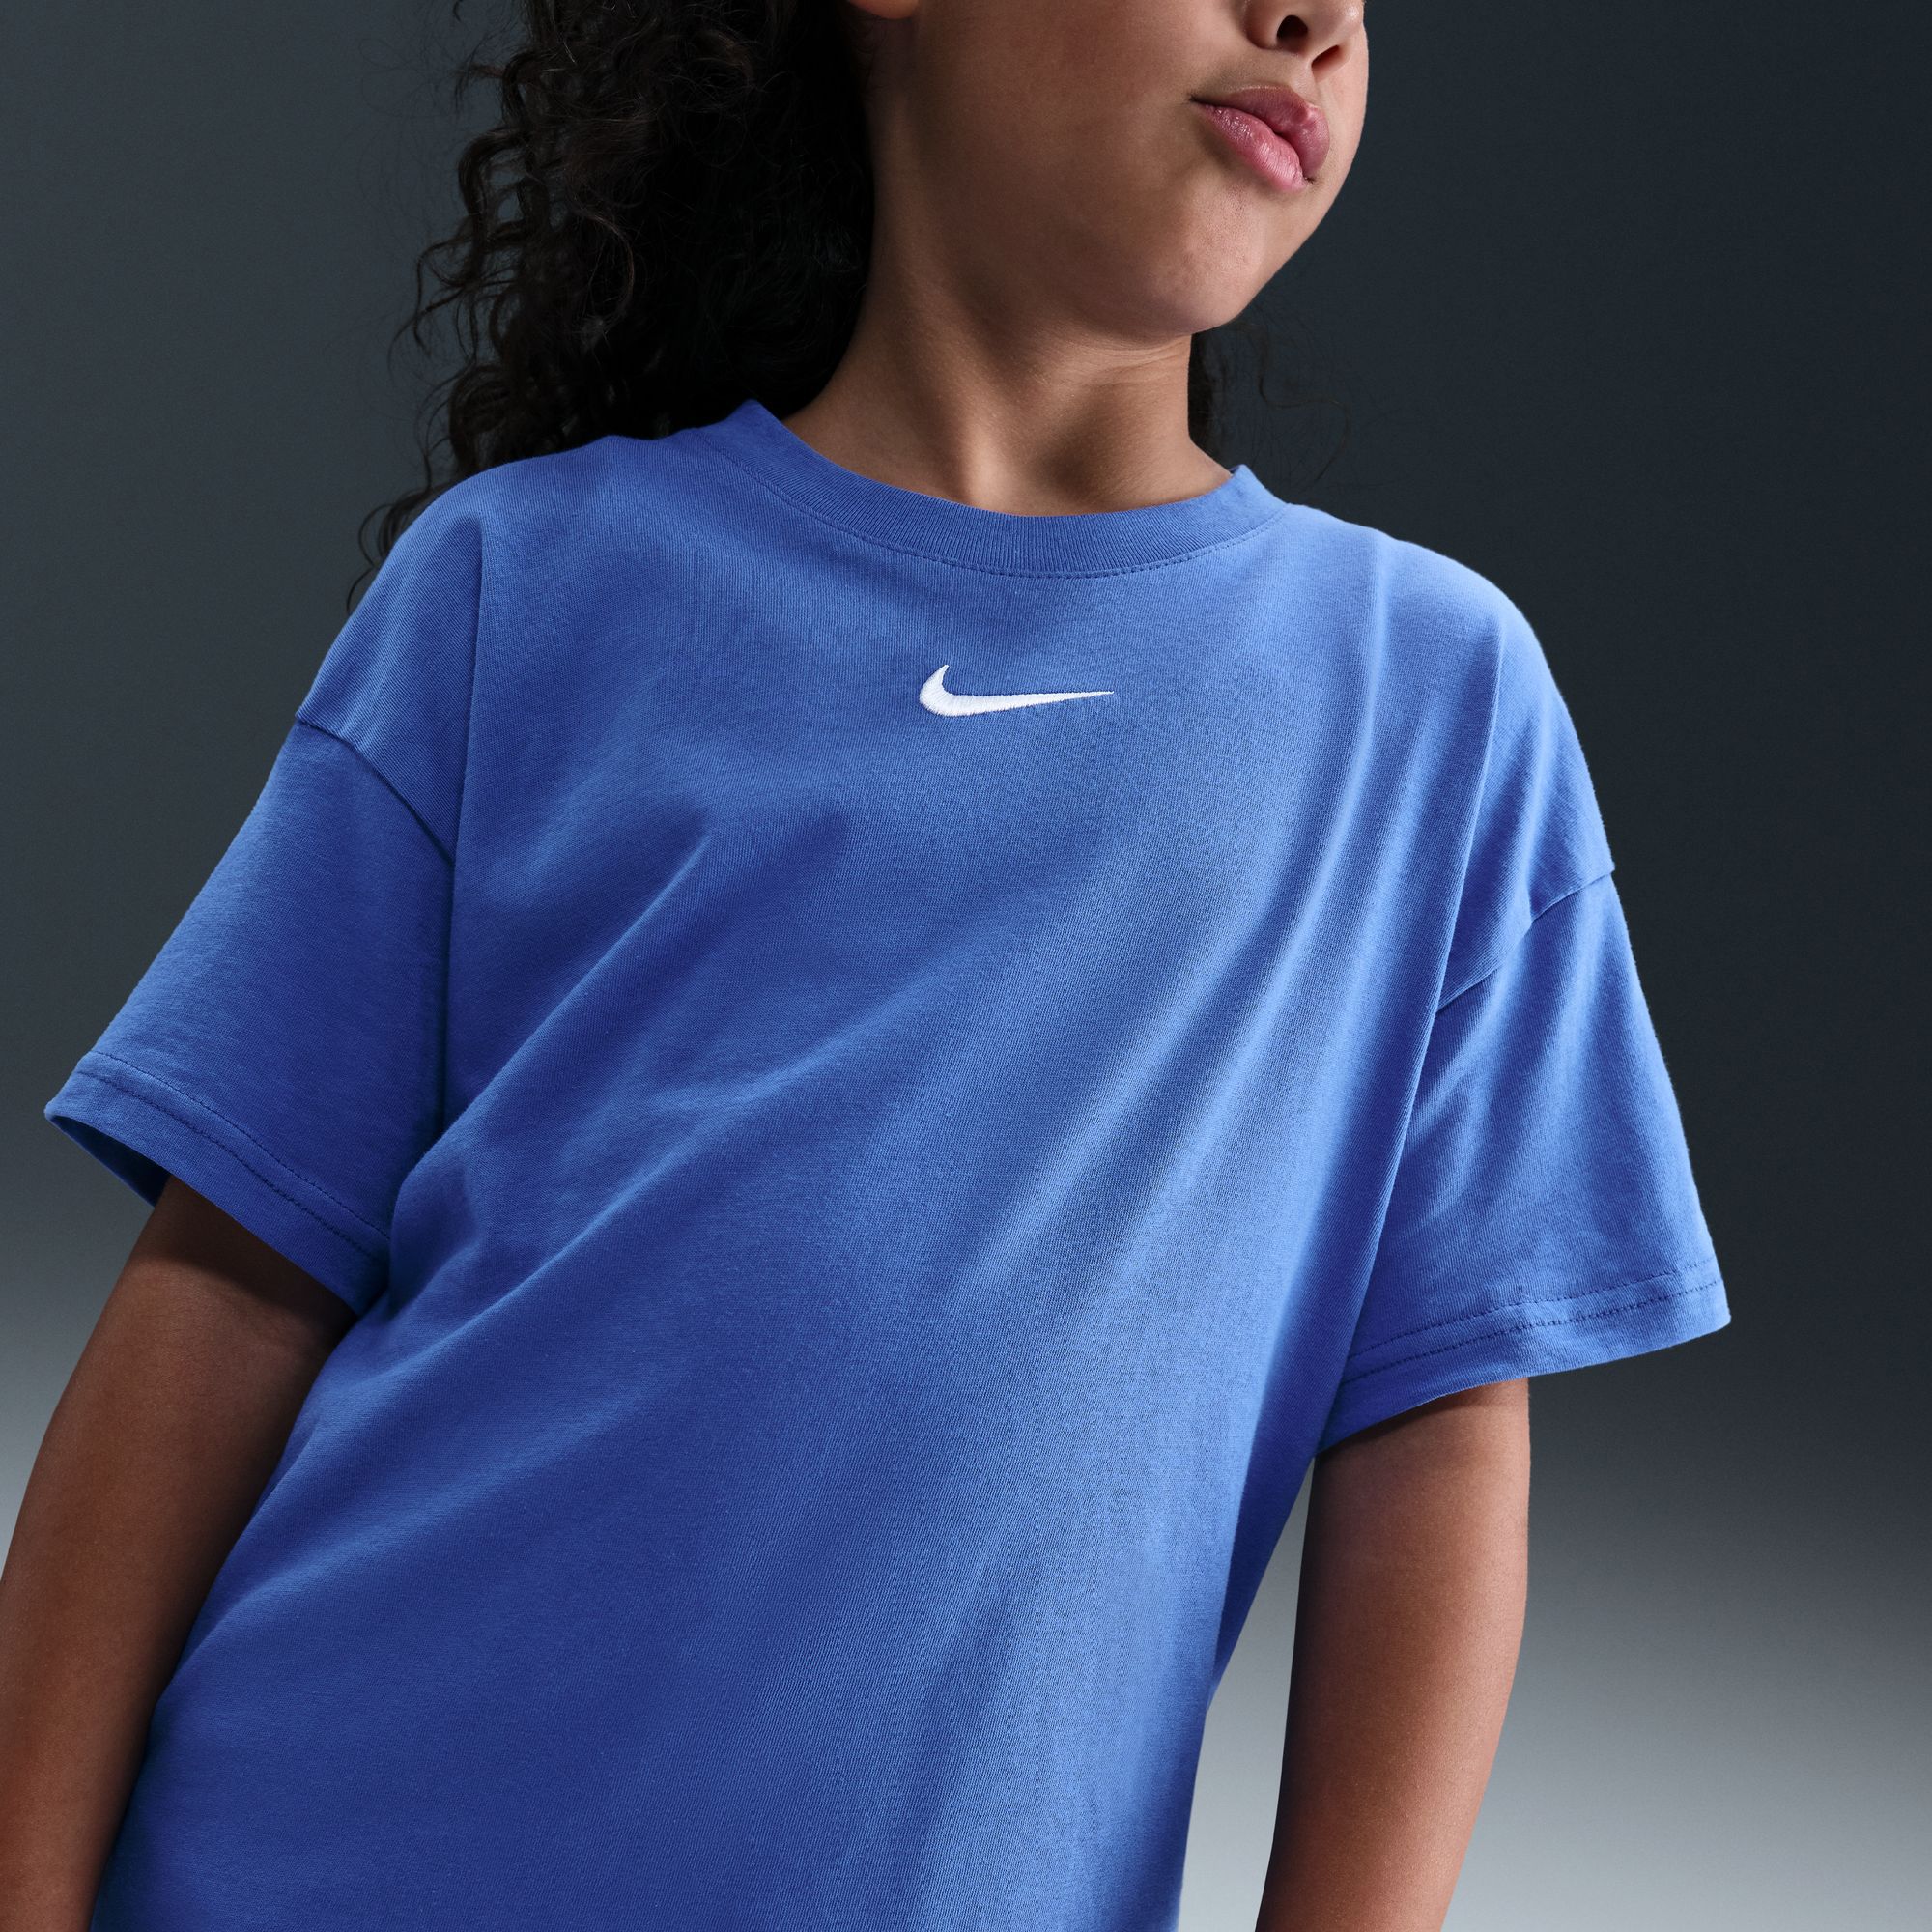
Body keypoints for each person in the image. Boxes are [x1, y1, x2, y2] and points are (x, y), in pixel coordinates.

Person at [0, 2, 1733, 1927]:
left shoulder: (1426, 700)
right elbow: (225, 1295)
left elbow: (1438, 1427)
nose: (1313, 20)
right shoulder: (527, 585)